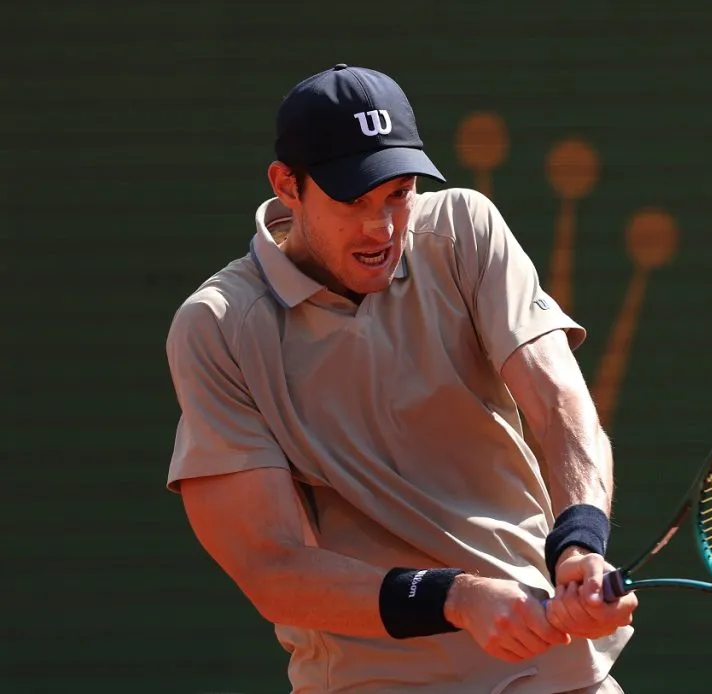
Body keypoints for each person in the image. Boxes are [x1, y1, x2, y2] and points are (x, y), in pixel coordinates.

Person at [164, 63, 638, 694]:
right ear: (287, 186)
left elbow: (560, 404)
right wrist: (456, 597)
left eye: (398, 192)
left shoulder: (464, 230)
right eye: (353, 199)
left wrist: (580, 541)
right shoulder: (218, 325)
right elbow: (271, 567)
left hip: (557, 673)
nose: (381, 228)